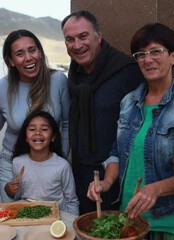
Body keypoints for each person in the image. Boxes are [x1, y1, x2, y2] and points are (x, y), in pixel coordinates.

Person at [87, 23, 174, 239]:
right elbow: (117, 151)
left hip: (173, 224)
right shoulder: (128, 102)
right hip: (129, 221)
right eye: (141, 54)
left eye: (156, 51)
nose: (148, 59)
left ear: (173, 56)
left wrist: (156, 189)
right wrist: (106, 182)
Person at [61, 10, 144, 214]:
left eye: (83, 36)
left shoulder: (128, 71)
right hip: (81, 174)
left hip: (117, 176)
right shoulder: (74, 74)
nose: (77, 45)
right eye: (70, 39)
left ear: (99, 36)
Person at [0, 29, 70, 203]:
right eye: (19, 53)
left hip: (50, 165)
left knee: (48, 224)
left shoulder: (58, 80)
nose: (28, 58)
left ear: (40, 52)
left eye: (32, 50)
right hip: (12, 167)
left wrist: (59, 160)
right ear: (10, 61)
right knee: (17, 223)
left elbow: (67, 123)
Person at [5, 110, 79, 216]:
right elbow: (18, 196)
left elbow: (72, 201)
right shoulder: (18, 162)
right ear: (25, 137)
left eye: (44, 129)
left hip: (56, 218)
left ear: (53, 136)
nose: (38, 133)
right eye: (32, 129)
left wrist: (72, 223)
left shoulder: (62, 165)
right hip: (28, 216)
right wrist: (9, 190)